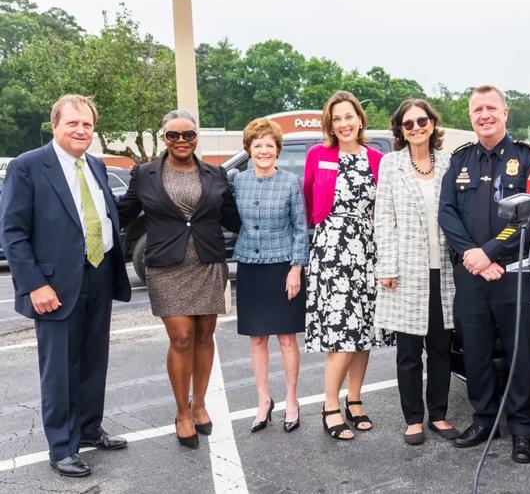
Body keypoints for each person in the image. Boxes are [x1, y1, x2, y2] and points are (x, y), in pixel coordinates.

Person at [0, 95, 131, 477]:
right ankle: (62, 447)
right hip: (53, 285)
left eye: (87, 124)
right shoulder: (28, 167)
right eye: (73, 123)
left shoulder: (96, 166)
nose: (80, 130)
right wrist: (34, 285)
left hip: (99, 273)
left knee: (94, 360)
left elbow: (104, 214)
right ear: (55, 124)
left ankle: (90, 428)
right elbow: (12, 233)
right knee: (60, 369)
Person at [117, 109, 241, 449]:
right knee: (182, 337)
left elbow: (234, 217)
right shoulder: (144, 174)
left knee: (204, 335)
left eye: (188, 135)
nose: (182, 141)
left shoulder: (215, 174)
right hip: (166, 268)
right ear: (164, 138)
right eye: (174, 135)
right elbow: (123, 212)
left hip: (207, 263)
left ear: (196, 138)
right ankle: (181, 411)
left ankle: (200, 404)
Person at [439, 85, 530, 463]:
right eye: (477, 109)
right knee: (476, 352)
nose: (484, 115)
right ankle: (484, 420)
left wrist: (490, 252)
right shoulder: (460, 160)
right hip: (470, 273)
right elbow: (447, 212)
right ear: (470, 116)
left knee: (521, 353)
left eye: (491, 108)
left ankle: (522, 430)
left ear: (505, 113)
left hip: (514, 273)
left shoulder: (528, 159)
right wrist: (472, 254)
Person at [303, 90, 388, 441]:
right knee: (342, 333)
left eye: (348, 117)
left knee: (363, 331)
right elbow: (309, 197)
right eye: (337, 119)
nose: (343, 124)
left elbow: (384, 204)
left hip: (367, 248)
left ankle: (354, 399)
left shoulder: (376, 158)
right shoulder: (319, 155)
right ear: (330, 123)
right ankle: (329, 405)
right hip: (333, 249)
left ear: (360, 119)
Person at [374, 99, 459, 446]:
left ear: (432, 124)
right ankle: (413, 418)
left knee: (441, 348)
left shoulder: (449, 163)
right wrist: (387, 266)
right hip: (406, 270)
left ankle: (438, 414)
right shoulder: (390, 165)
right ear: (400, 130)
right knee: (409, 351)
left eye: (421, 121)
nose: (416, 128)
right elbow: (384, 219)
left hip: (445, 271)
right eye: (408, 124)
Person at [232, 118, 308, 433]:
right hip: (250, 267)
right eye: (258, 145)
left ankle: (292, 400)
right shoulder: (237, 181)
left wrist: (296, 269)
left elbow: (301, 228)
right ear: (249, 150)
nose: (264, 151)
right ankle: (263, 400)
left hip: (283, 268)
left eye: (269, 145)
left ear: (277, 150)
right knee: (257, 339)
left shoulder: (291, 182)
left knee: (287, 338)